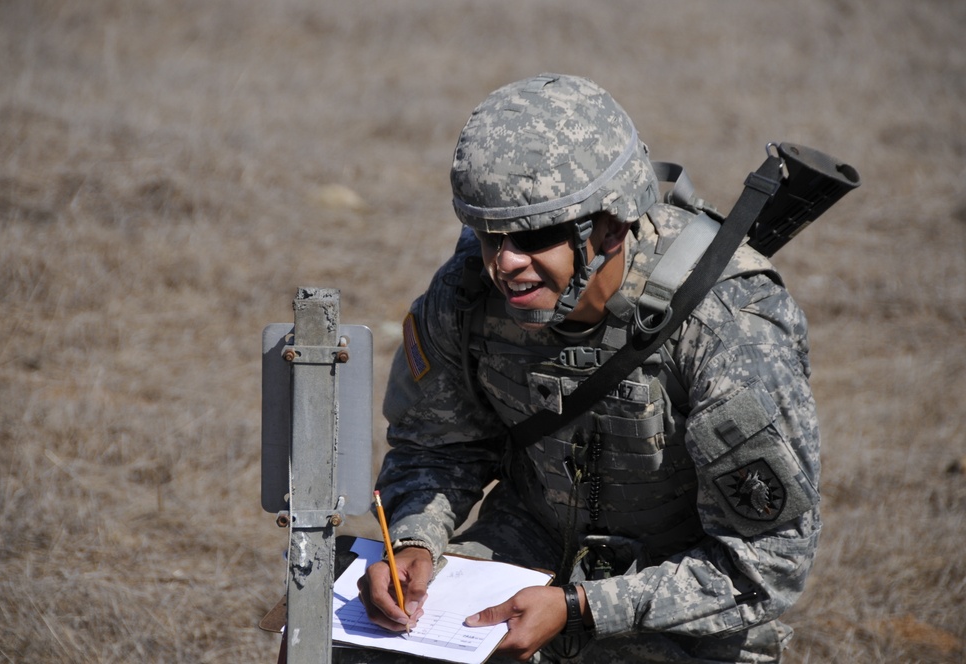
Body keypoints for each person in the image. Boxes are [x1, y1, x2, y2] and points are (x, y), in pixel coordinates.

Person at [350, 73, 821, 663]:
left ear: (611, 227)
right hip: (527, 551)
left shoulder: (729, 325)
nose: (505, 265)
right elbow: (435, 448)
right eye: (488, 235)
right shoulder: (466, 295)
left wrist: (582, 608)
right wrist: (417, 539)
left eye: (533, 237)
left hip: (679, 597)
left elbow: (767, 562)